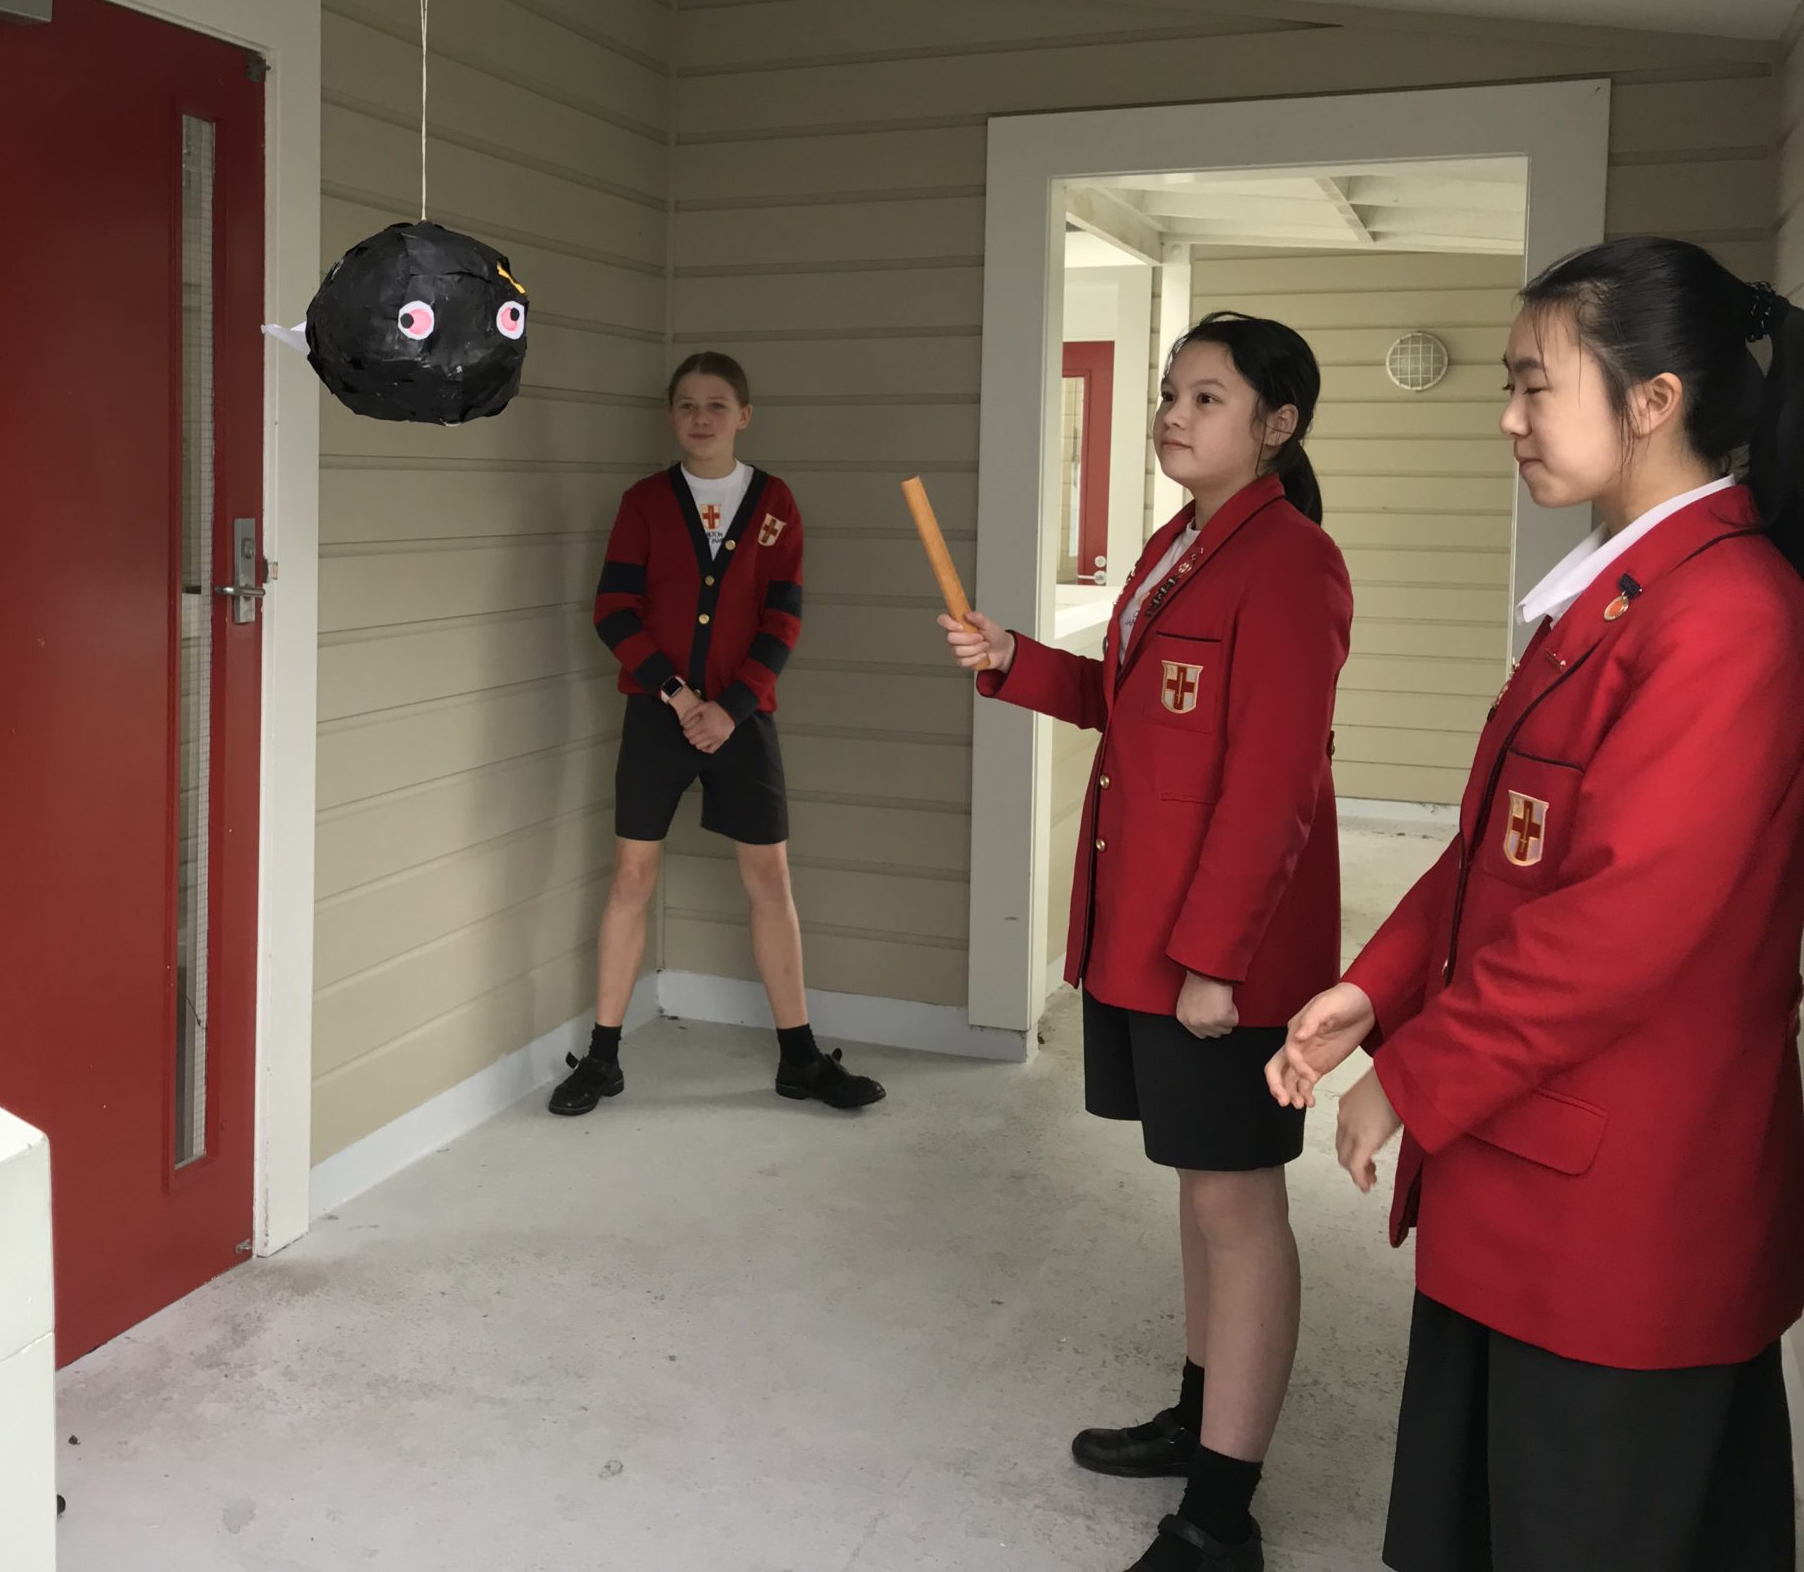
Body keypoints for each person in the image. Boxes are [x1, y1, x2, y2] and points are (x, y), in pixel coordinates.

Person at [1272, 237, 1804, 1572]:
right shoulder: (1624, 590)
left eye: (1532, 385)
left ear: (1653, 400)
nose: (1507, 418)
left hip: (1625, 1220)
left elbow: (1618, 927)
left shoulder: (1726, 615)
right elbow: (1497, 852)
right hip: (1534, 1189)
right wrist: (1374, 989)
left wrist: (1410, 1080)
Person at [945, 314, 1352, 1572]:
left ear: (1276, 425)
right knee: (1199, 1190)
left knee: (1238, 1204)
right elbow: (1129, 711)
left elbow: (1275, 785)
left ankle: (1221, 1514)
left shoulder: (1291, 564)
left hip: (1220, 954)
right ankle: (1199, 1414)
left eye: (1206, 397)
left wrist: (1217, 961)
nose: (1173, 413)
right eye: (1170, 392)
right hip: (1153, 934)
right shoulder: (1181, 545)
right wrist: (1014, 660)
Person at [549, 350, 884, 1116]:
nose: (701, 419)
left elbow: (783, 619)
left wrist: (730, 707)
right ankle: (603, 1057)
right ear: (671, 415)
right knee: (631, 879)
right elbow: (614, 611)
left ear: (744, 415)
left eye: (717, 405)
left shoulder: (774, 504)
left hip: (745, 717)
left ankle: (799, 1058)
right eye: (688, 405)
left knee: (770, 880)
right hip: (657, 716)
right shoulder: (643, 503)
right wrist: (677, 695)